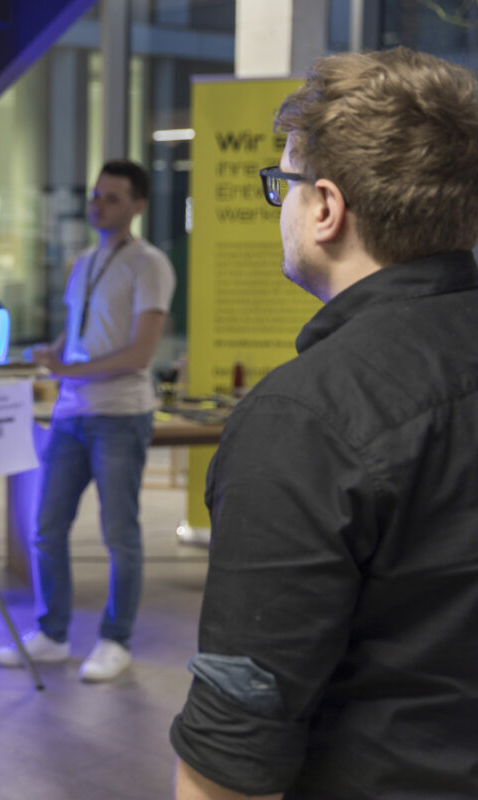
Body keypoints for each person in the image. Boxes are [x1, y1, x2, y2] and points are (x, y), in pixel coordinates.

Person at [171, 48, 478, 798]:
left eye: (283, 184)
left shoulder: (304, 420)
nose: (282, 204)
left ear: (327, 209)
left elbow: (231, 757)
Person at [0, 160, 175, 682]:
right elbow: (80, 338)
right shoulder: (84, 263)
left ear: (138, 206)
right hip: (71, 414)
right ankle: (52, 633)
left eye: (113, 198)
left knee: (120, 534)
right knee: (46, 529)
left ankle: (116, 641)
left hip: (120, 415)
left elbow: (139, 352)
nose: (99, 205)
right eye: (96, 195)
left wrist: (70, 367)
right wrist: (47, 354)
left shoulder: (150, 264)